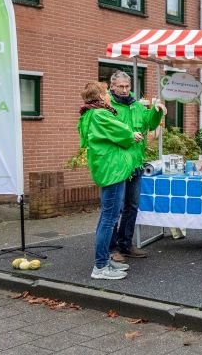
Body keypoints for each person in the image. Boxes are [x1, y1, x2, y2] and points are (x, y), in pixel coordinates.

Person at [77, 82, 141, 280]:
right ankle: (101, 266)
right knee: (109, 219)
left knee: (107, 217)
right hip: (112, 171)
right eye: (106, 93)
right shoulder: (100, 115)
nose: (108, 96)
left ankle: (104, 259)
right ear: (100, 96)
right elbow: (123, 132)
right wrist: (133, 135)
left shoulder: (89, 114)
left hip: (107, 169)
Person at [107, 71, 165, 263]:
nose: (124, 90)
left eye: (127, 86)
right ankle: (111, 248)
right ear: (112, 86)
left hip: (136, 163)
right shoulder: (108, 107)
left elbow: (149, 124)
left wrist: (156, 112)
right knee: (115, 210)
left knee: (132, 206)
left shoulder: (136, 106)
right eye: (120, 86)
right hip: (117, 165)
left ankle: (126, 244)